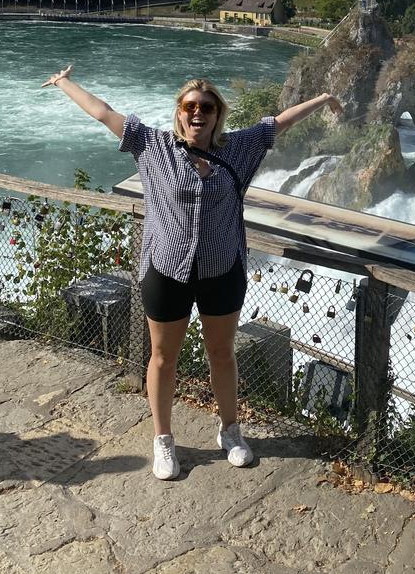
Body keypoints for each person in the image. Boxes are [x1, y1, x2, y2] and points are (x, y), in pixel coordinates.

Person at [41, 64, 343, 480]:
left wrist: (324, 99)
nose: (197, 113)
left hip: (221, 267)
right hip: (167, 269)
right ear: (178, 112)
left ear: (218, 114)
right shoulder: (152, 145)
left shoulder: (239, 148)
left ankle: (230, 431)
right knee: (164, 357)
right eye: (189, 106)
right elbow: (103, 112)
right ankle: (163, 439)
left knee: (222, 353)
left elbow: (278, 123)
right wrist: (63, 82)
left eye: (207, 107)